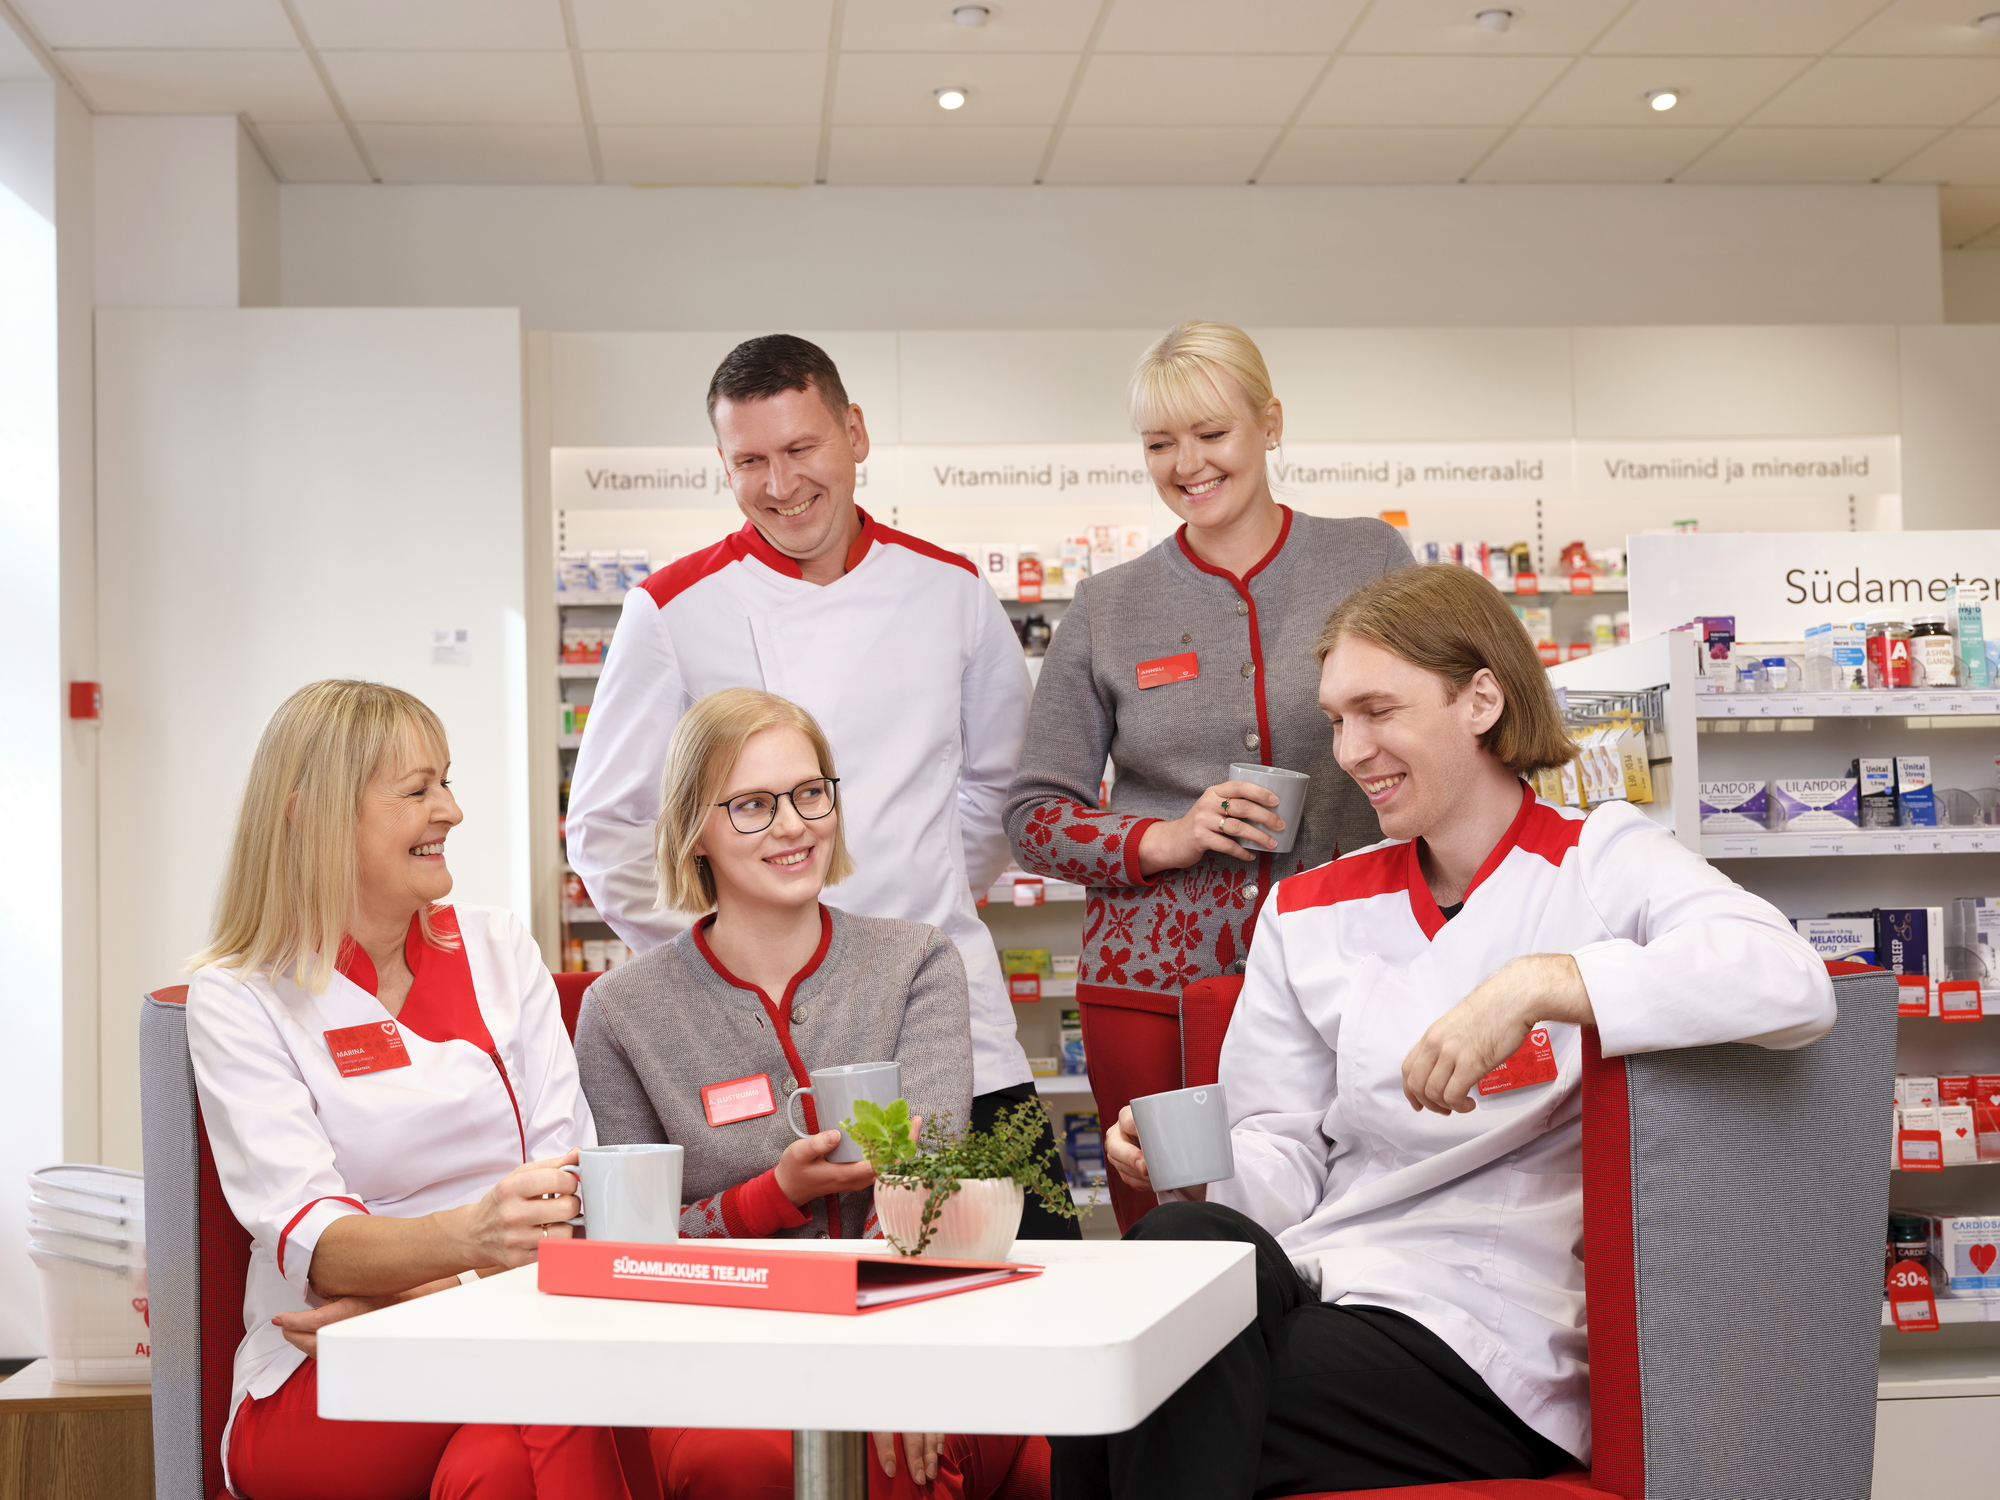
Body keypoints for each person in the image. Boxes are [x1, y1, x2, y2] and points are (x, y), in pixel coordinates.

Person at [1062, 564, 1837, 1499]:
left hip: (1491, 1334)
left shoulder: (1598, 859)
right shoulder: (1309, 909)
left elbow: (1790, 979)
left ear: (1481, 700)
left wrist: (1544, 984)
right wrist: (1191, 1164)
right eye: (1336, 719)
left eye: (1378, 711)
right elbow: (1279, 1155)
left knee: (1133, 1390)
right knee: (1178, 1246)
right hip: (1320, 1280)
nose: (1350, 750)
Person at [567, 334, 1074, 1240]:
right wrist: (727, 956)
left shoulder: (951, 590)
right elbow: (608, 827)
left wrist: (911, 897)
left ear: (855, 434)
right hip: (759, 1033)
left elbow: (999, 786)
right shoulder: (673, 607)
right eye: (749, 461)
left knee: (1020, 1268)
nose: (780, 484)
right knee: (797, 1291)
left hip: (947, 1009)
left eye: (801, 448)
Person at [573, 687, 1041, 1498]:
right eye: (753, 805)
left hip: (910, 1322)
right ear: (694, 831)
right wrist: (771, 1197)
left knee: (904, 1466)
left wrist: (893, 1358)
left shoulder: (916, 962)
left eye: (809, 793)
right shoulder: (622, 1012)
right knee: (740, 1463)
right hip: (721, 1350)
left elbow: (928, 1186)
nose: (793, 825)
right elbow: (632, 1247)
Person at [186, 680, 644, 1500]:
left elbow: (573, 1199)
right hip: (326, 1370)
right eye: (417, 790)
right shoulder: (241, 997)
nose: (452, 812)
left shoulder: (501, 947)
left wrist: (423, 1299)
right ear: (312, 816)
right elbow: (322, 1248)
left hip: (488, 1325)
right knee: (559, 1378)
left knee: (500, 1465)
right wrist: (476, 1243)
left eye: (447, 782)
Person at [1005, 320, 1412, 1231]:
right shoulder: (1108, 607)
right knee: (1174, 1229)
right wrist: (1167, 836)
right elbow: (1034, 817)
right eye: (1160, 444)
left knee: (1352, 1216)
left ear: (1270, 423)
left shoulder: (1369, 561)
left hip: (1350, 960)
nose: (1187, 464)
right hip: (1154, 987)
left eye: (1211, 433)